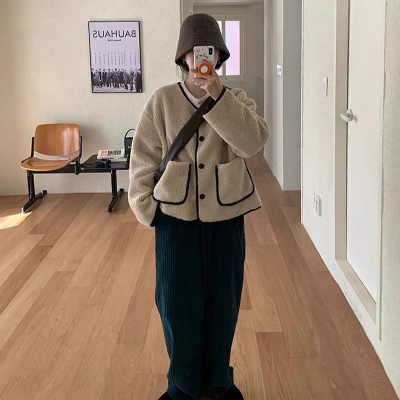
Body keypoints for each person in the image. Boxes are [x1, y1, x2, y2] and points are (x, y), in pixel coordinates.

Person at [128, 13, 270, 400]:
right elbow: (142, 159)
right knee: (176, 302)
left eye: (209, 50)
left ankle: (218, 380)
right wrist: (147, 209)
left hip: (226, 218)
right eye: (194, 50)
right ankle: (183, 384)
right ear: (183, 56)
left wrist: (219, 97)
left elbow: (253, 142)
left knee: (224, 302)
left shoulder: (236, 99)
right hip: (173, 218)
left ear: (219, 55)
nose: (201, 57)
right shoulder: (162, 101)